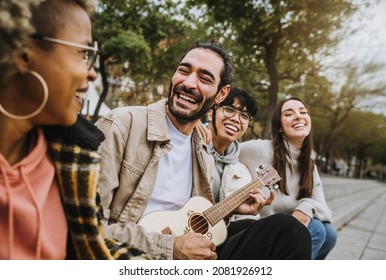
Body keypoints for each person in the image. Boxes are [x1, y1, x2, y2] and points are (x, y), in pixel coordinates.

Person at [96, 41, 312, 260]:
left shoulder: (202, 152)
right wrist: (169, 247)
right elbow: (88, 226)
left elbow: (188, 221)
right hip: (136, 256)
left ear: (220, 94)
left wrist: (231, 210)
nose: (189, 83)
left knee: (288, 230)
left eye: (205, 78)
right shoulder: (122, 125)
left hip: (186, 255)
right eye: (184, 70)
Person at [0, 0, 150, 260]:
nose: (92, 73)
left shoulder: (74, 155)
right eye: (83, 53)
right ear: (23, 51)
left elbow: (94, 246)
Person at [239, 96, 337, 260]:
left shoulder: (309, 166)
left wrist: (306, 206)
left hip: (287, 235)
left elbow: (325, 210)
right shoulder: (259, 149)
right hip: (257, 233)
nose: (299, 116)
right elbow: (226, 147)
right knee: (318, 230)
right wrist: (203, 129)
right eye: (289, 114)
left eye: (303, 112)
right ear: (279, 127)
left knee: (330, 234)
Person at [205, 87, 275, 221]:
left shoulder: (241, 173)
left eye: (244, 116)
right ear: (210, 113)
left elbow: (241, 226)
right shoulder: (185, 147)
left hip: (217, 238)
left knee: (283, 225)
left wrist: (246, 212)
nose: (236, 119)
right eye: (229, 110)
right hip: (170, 230)